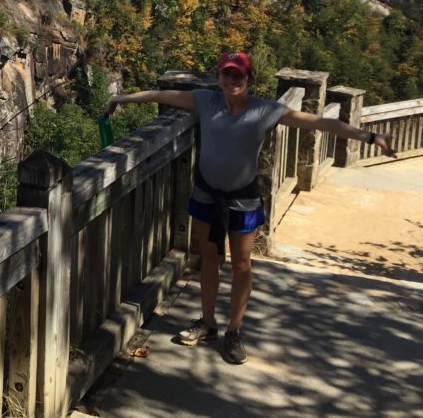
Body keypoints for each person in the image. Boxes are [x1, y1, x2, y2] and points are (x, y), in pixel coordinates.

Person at [103, 51, 396, 365]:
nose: (232, 81)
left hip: (242, 199)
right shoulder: (206, 101)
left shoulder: (264, 110)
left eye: (238, 76)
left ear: (249, 79)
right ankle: (208, 322)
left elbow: (319, 122)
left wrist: (370, 136)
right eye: (226, 75)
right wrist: (121, 99)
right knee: (210, 258)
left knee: (242, 265)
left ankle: (234, 330)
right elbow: (163, 95)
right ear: (219, 78)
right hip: (206, 194)